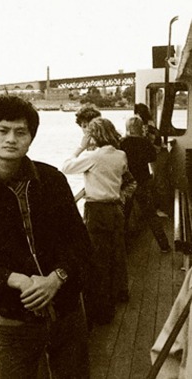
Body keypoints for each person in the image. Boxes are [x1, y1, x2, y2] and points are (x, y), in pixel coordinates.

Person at [0, 96, 91, 379]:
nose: (11, 139)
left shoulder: (51, 180)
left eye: (20, 132)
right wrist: (17, 279)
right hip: (15, 320)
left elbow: (80, 242)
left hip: (68, 312)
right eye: (2, 130)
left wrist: (56, 278)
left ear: (31, 138)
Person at [61, 117, 129, 324]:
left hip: (97, 210)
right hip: (116, 209)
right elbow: (123, 173)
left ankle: (102, 310)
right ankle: (118, 294)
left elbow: (66, 167)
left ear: (94, 136)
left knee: (97, 259)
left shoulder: (94, 157)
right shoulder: (121, 155)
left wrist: (80, 148)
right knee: (115, 254)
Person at [120, 116, 171, 252]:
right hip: (143, 182)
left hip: (128, 183)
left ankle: (125, 247)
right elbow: (152, 157)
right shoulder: (145, 143)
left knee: (124, 215)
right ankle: (164, 245)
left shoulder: (123, 143)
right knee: (151, 214)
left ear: (128, 128)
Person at [134, 103, 170, 217]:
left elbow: (153, 144)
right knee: (160, 181)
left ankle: (162, 209)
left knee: (159, 182)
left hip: (158, 155)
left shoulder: (146, 127)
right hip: (161, 154)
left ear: (139, 114)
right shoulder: (150, 124)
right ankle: (162, 208)